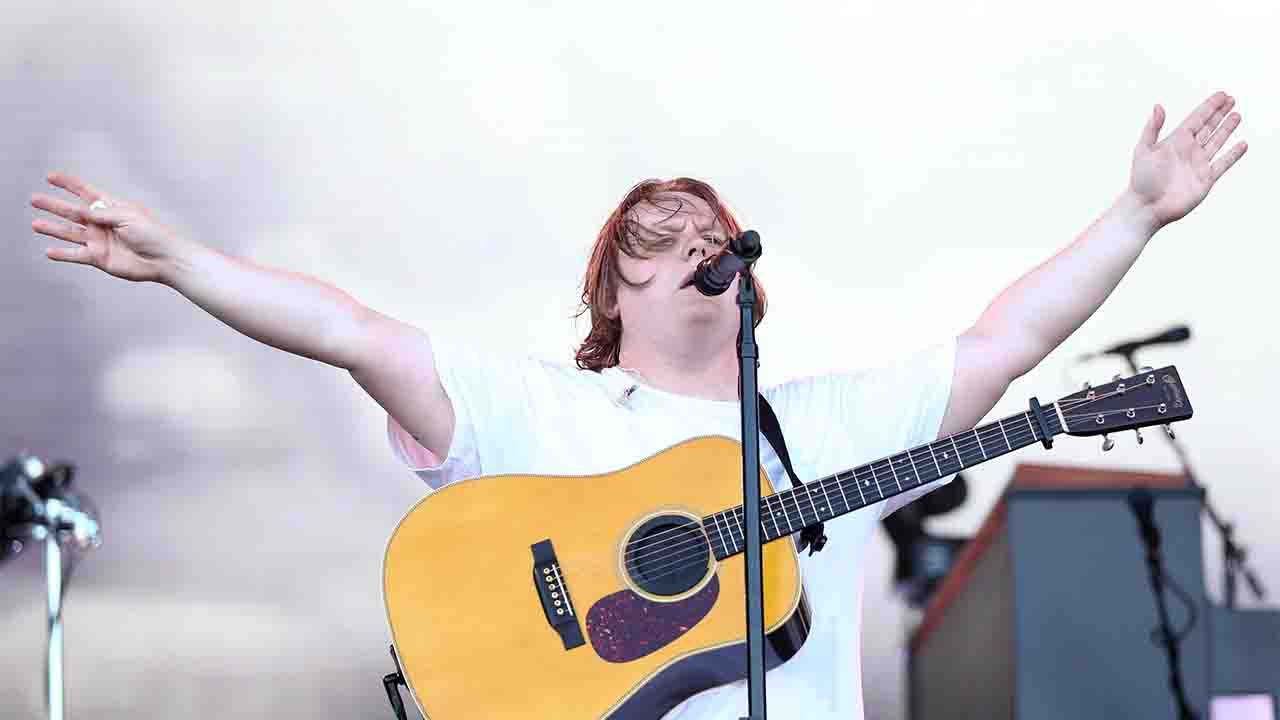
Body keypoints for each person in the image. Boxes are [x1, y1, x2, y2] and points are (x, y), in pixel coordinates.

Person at [28, 91, 1247, 719]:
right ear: (610, 288)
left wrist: (1135, 212)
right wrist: (181, 262)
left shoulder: (812, 428)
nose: (696, 248)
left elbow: (1007, 337)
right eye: (658, 240)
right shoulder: (540, 415)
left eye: (711, 235)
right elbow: (346, 328)